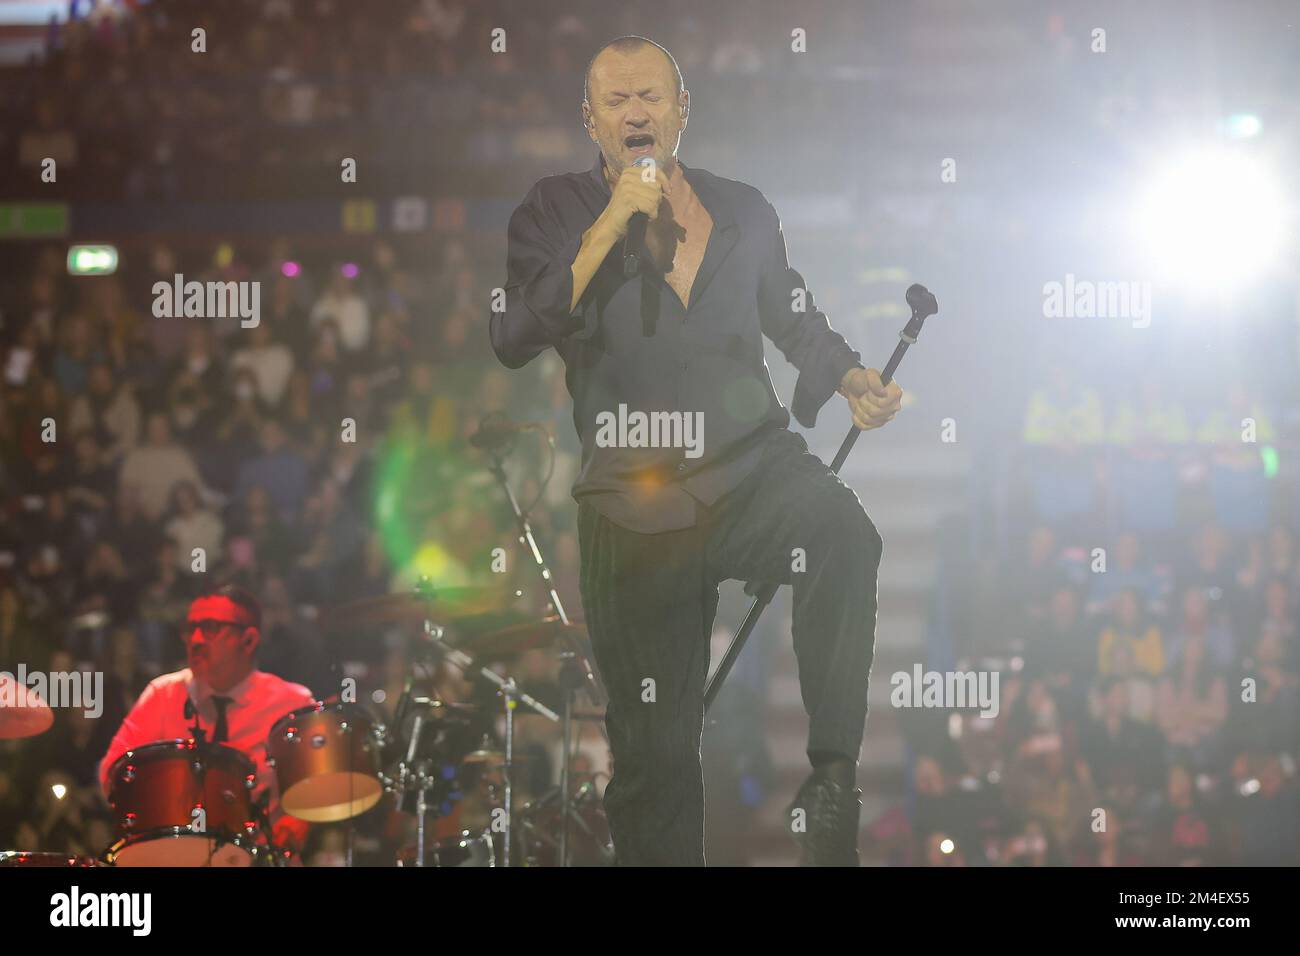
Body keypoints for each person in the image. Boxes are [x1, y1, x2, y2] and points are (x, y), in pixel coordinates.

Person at [489, 36, 903, 866]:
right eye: (616, 101)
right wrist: (610, 223)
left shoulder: (744, 208)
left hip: (751, 467)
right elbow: (513, 334)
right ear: (590, 121)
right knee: (656, 757)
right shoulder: (552, 209)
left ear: (682, 111)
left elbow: (791, 316)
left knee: (843, 534)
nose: (636, 112)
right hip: (632, 502)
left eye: (651, 96)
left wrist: (849, 372)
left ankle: (830, 782)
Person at [98, 585, 315, 859]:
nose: (196, 639)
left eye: (211, 628)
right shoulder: (163, 694)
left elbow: (316, 789)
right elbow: (111, 774)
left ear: (249, 640)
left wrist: (297, 823)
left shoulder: (291, 703)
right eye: (190, 628)